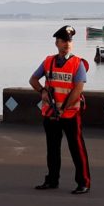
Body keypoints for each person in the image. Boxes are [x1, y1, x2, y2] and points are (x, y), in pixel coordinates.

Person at [28, 25, 91, 194]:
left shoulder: (78, 64)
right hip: (51, 114)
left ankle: (83, 182)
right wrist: (42, 91)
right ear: (57, 43)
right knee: (52, 149)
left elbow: (78, 89)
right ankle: (52, 180)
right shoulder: (48, 61)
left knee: (77, 148)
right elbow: (33, 79)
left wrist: (63, 109)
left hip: (70, 114)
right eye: (64, 41)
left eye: (69, 41)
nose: (67, 44)